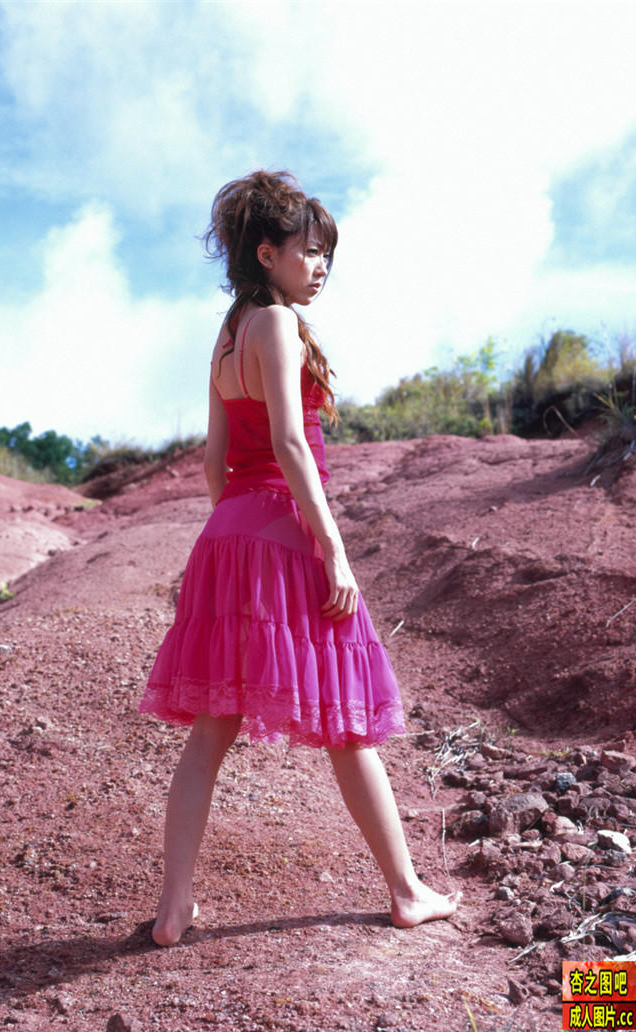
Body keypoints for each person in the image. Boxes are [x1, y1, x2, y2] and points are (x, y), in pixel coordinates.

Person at [139, 170, 460, 946]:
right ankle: (407, 890)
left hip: (226, 534)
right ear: (267, 252)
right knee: (349, 720)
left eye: (325, 256)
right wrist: (333, 551)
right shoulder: (277, 324)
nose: (320, 267)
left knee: (210, 731)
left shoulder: (226, 335)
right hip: (283, 531)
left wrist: (237, 535)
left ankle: (174, 909)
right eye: (310, 252)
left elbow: (215, 462)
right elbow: (289, 444)